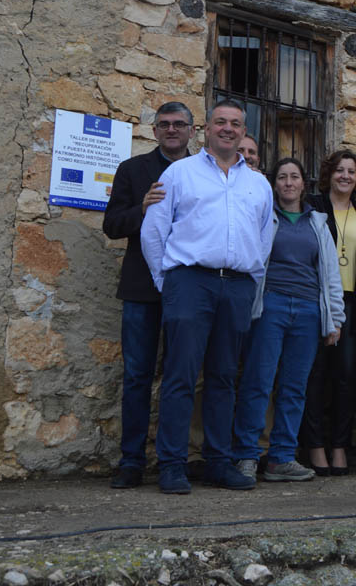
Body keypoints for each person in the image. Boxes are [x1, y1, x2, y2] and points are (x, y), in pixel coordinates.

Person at [140, 99, 275, 493]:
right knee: (180, 376)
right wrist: (167, 282)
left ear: (243, 131)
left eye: (235, 123)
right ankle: (172, 465)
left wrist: (249, 278)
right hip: (190, 282)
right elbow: (154, 231)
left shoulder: (258, 183)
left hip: (236, 285)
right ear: (207, 128)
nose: (228, 129)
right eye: (220, 122)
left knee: (222, 377)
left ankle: (218, 461)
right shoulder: (179, 173)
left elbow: (264, 237)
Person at [231, 157, 345, 483]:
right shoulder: (266, 217)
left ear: (303, 184)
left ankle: (281, 457)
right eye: (282, 177)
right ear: (274, 184)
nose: (288, 183)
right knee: (258, 382)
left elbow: (331, 275)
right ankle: (247, 456)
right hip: (271, 306)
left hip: (309, 310)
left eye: (294, 177)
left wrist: (334, 319)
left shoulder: (318, 223)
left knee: (295, 388)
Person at [102, 102, 193, 489]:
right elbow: (111, 226)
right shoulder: (132, 170)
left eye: (179, 124)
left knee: (181, 377)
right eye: (164, 125)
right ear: (154, 131)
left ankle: (174, 463)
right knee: (137, 377)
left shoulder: (202, 172)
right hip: (142, 288)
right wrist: (141, 209)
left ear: (192, 130)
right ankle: (132, 462)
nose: (171, 130)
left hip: (188, 290)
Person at [302, 149, 356, 476]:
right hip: (319, 299)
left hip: (352, 300)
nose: (345, 176)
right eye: (340, 171)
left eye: (351, 172)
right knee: (316, 375)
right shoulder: (314, 206)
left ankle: (340, 446)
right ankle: (315, 446)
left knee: (346, 376)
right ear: (329, 173)